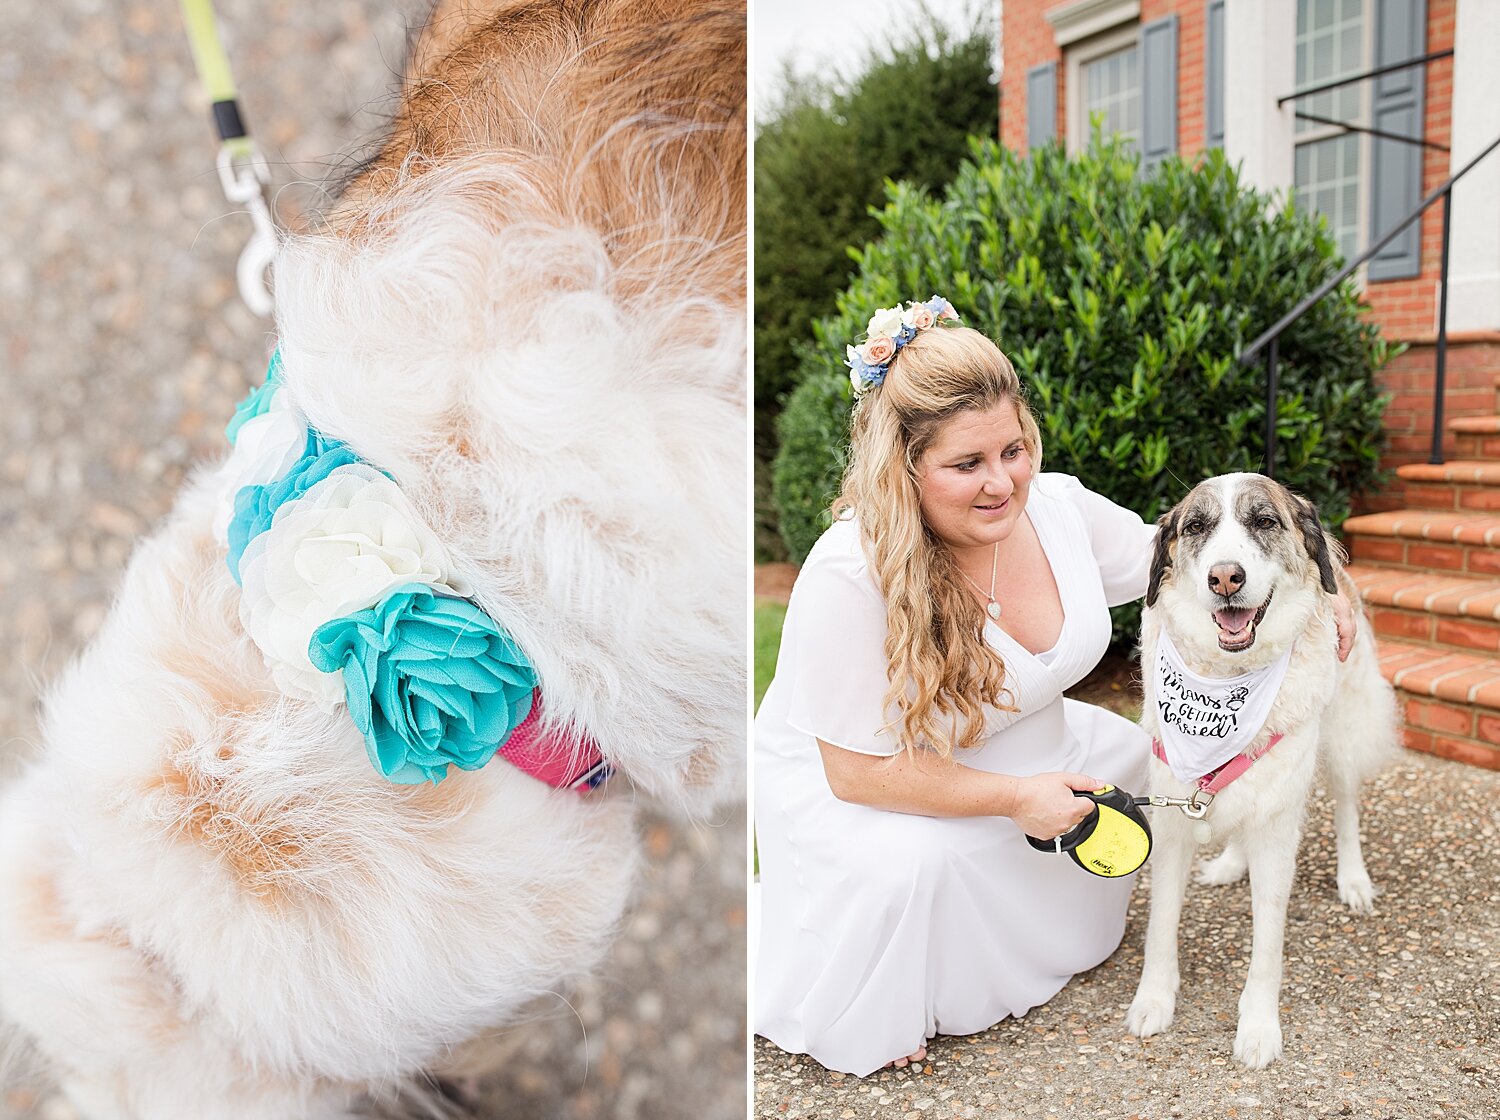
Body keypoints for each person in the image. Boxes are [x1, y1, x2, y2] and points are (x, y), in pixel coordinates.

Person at [753, 298, 1354, 1076]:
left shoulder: (1062, 508)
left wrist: (1323, 578)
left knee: (1129, 756)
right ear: (902, 467)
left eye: (1014, 449)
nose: (1003, 482)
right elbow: (853, 771)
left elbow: (1184, 552)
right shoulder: (848, 572)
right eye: (967, 464)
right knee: (912, 868)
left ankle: (1039, 925)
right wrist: (1014, 799)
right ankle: (902, 974)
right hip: (879, 783)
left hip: (1037, 749)